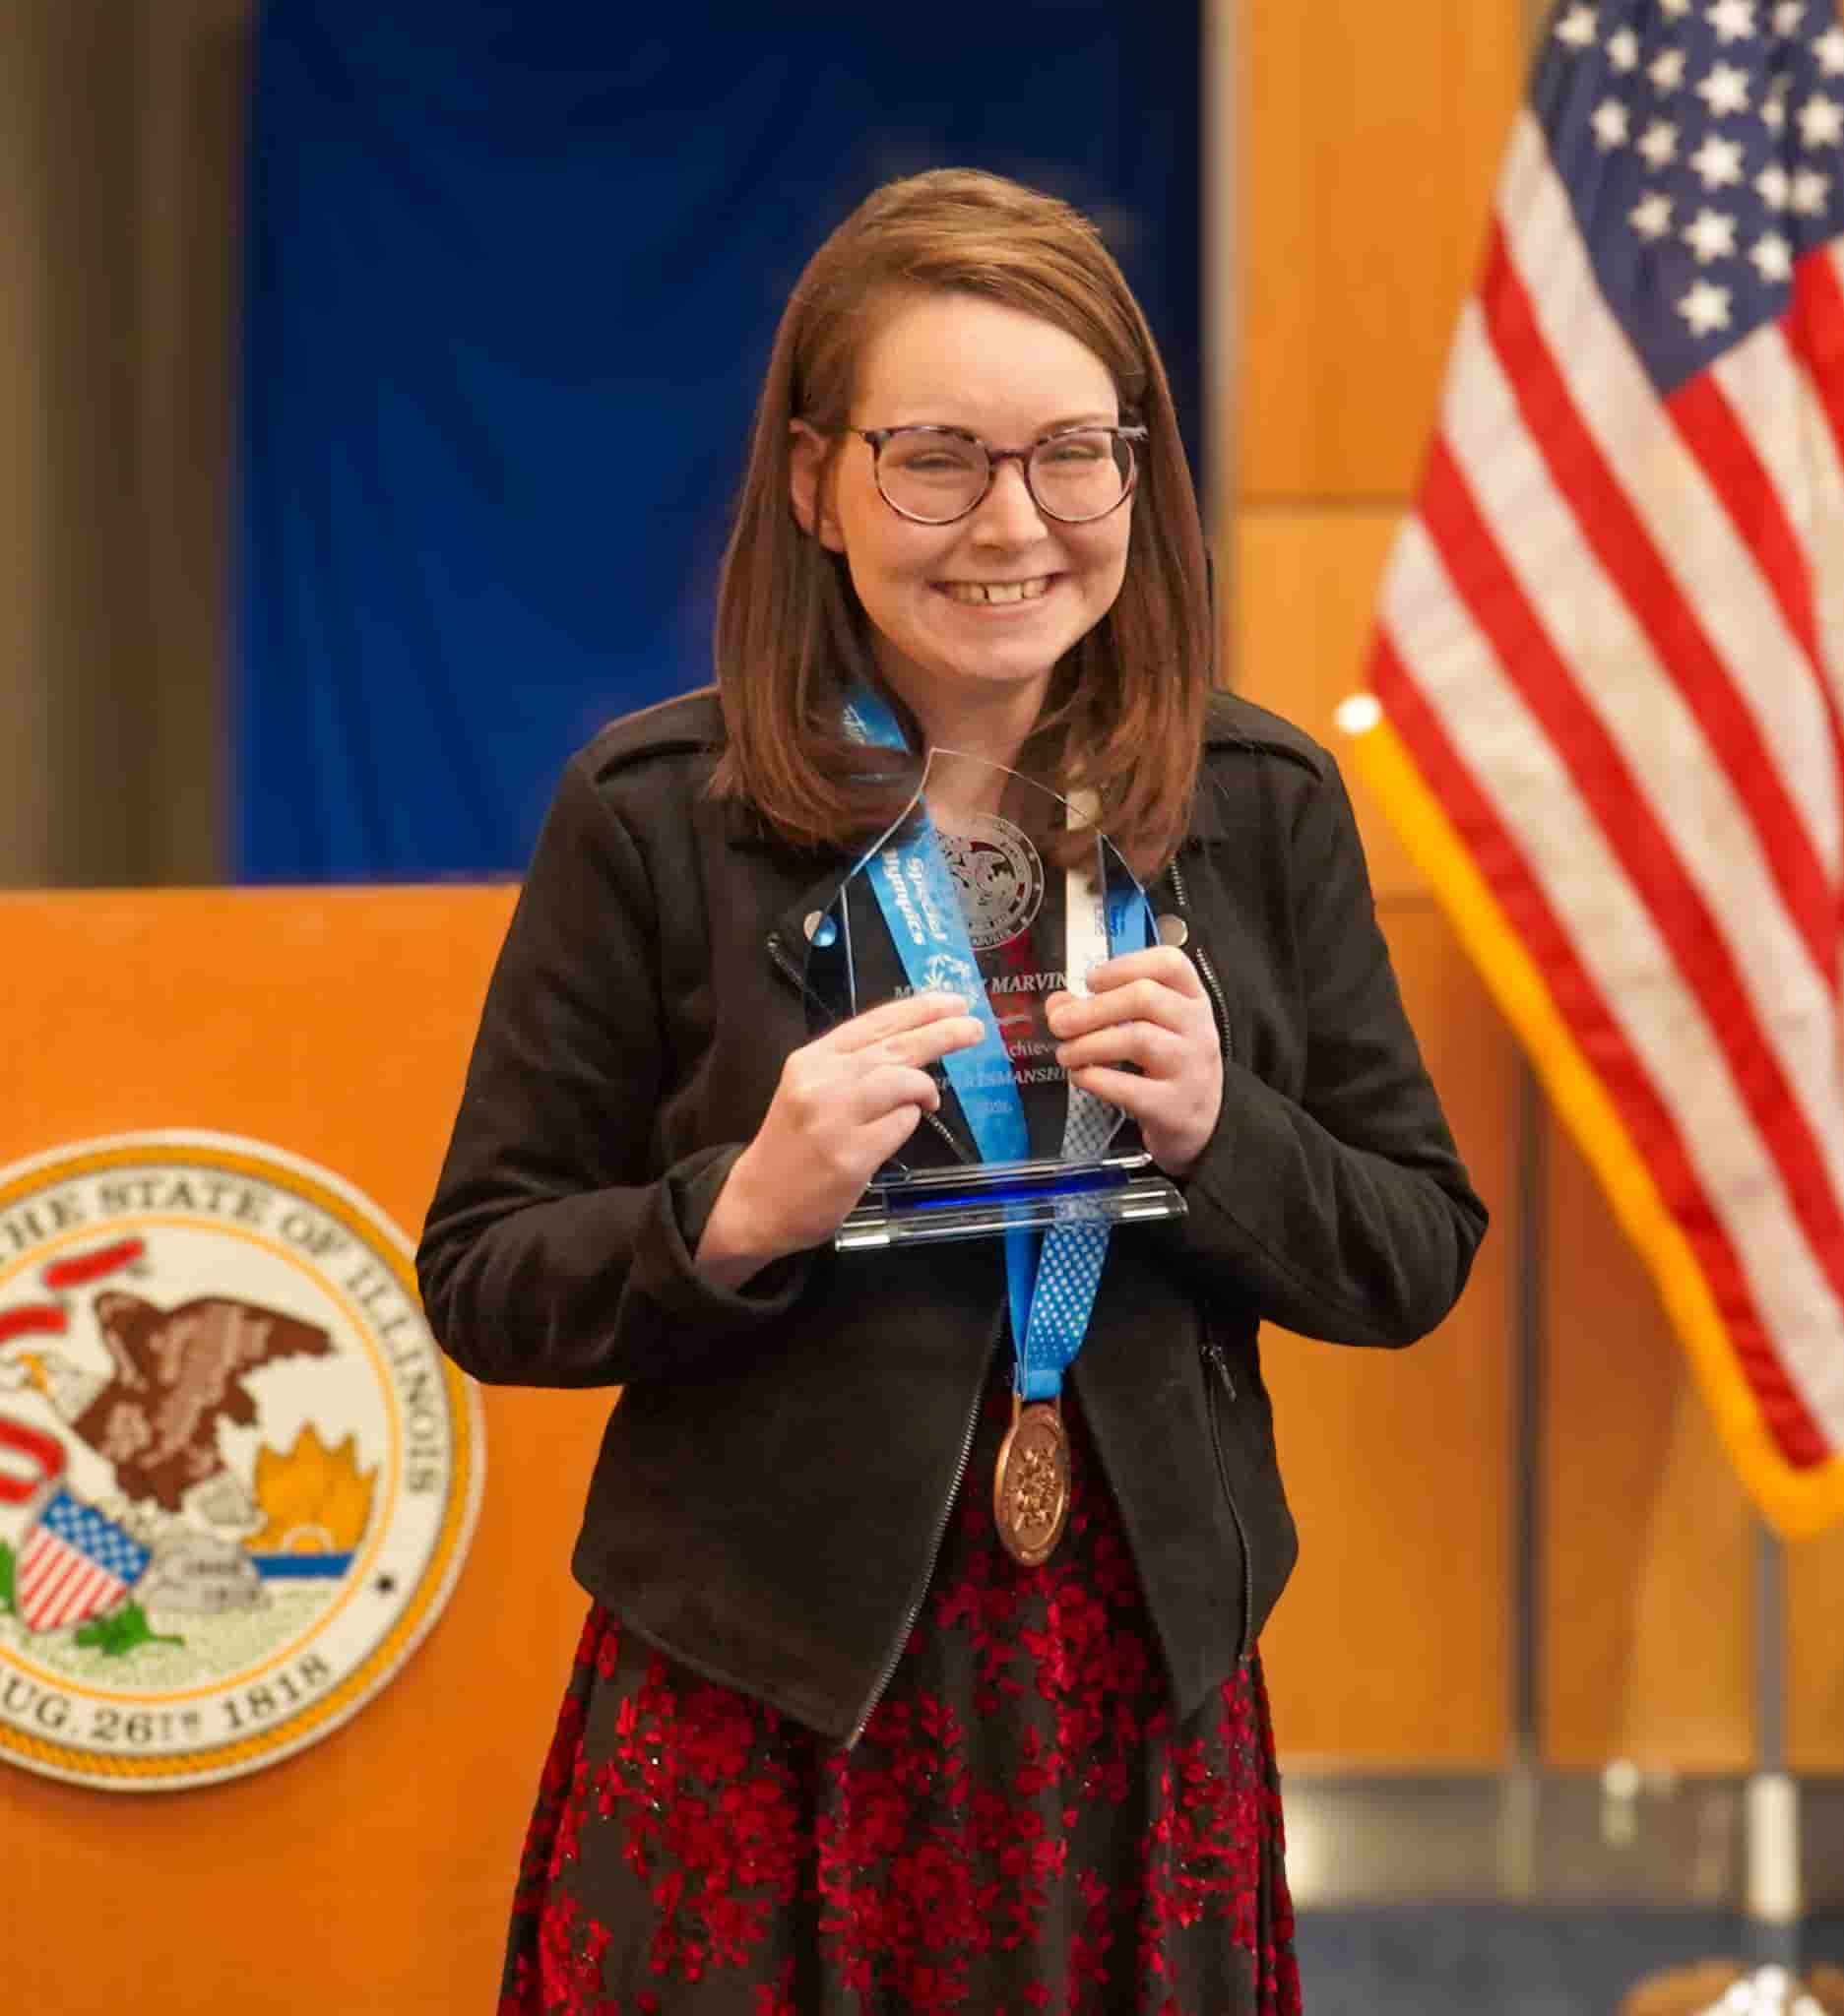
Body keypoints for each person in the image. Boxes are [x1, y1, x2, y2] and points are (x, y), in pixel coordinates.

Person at [417, 167, 1487, 2015]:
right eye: (937, 460)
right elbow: (485, 1276)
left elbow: (1412, 1253)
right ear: (821, 482)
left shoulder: (1260, 801)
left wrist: (1230, 1136)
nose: (1014, 524)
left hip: (1132, 1690)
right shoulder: (651, 814)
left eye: (1074, 453)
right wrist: (732, 1212)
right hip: (762, 1693)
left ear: (1136, 481)